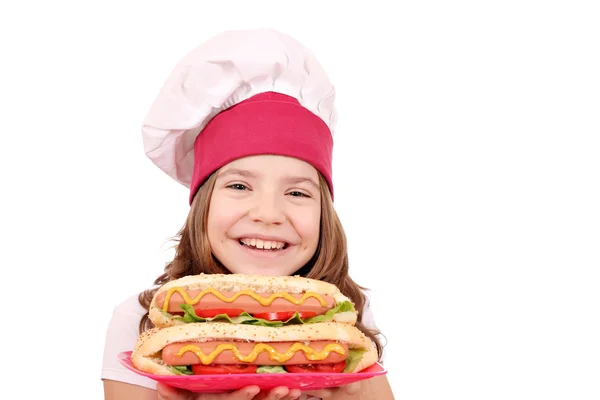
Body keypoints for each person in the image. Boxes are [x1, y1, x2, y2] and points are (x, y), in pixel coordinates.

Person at [101, 28, 395, 400]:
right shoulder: (138, 319)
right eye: (239, 186)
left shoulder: (346, 315)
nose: (269, 213)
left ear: (325, 216)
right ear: (202, 206)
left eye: (297, 192)